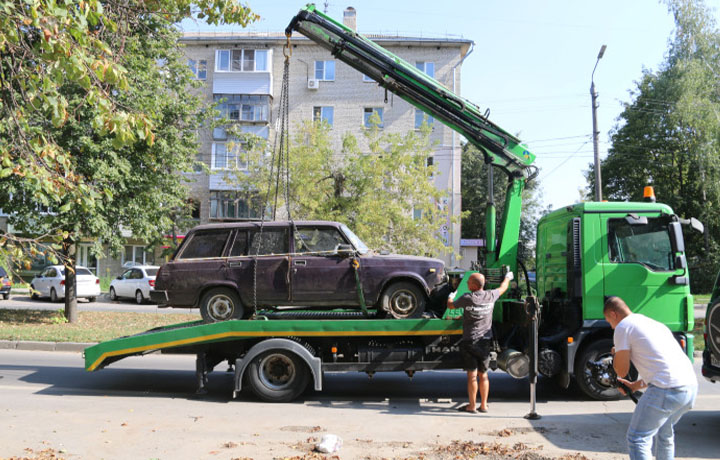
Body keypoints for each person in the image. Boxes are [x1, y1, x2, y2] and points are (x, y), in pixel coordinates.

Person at [603, 296, 697, 460]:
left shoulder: (623, 327)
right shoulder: (652, 324)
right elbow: (662, 365)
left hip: (667, 390)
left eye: (608, 321)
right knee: (664, 433)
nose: (611, 326)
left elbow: (622, 371)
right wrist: (634, 386)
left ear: (613, 313)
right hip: (689, 388)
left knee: (637, 438)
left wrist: (617, 352)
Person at [448, 270, 513, 413]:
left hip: (469, 341)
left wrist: (450, 296)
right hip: (484, 341)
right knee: (483, 374)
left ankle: (471, 406)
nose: (466, 283)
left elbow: (450, 306)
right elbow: (503, 287)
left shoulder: (467, 298)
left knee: (472, 375)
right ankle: (483, 405)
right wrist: (508, 276)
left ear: (474, 285)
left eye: (468, 282)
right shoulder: (491, 295)